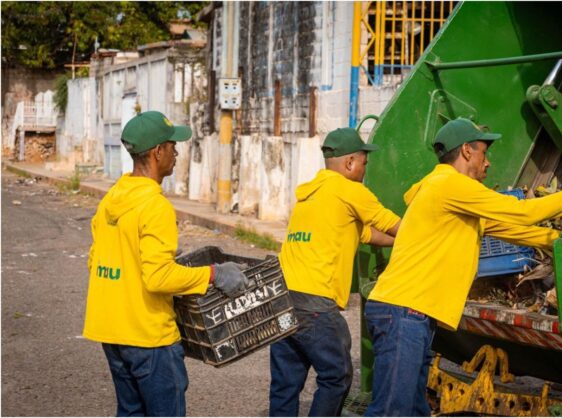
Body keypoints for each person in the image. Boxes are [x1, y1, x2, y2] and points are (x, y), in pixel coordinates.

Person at [364, 118, 562, 416]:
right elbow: (520, 212)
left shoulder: (450, 194)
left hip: (410, 313)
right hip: (403, 312)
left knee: (413, 409)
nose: (488, 162)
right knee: (392, 410)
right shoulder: (450, 184)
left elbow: (512, 229)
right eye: (484, 152)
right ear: (467, 152)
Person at [83, 111, 249, 417]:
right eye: (173, 146)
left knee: (131, 411)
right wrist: (214, 273)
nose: (177, 152)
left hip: (110, 330)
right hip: (148, 336)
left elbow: (96, 260)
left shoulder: (113, 198)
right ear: (157, 152)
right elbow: (158, 278)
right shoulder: (155, 205)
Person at [269, 127, 401, 417]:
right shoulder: (349, 190)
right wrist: (427, 235)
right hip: (315, 302)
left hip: (281, 297)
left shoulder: (312, 194)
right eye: (364, 164)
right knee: (337, 376)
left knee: (286, 382)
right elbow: (394, 225)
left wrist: (403, 242)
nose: (365, 171)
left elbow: (368, 233)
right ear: (350, 163)